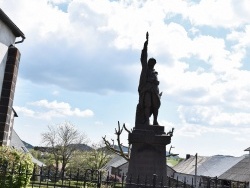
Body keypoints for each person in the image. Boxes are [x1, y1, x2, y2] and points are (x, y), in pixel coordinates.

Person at [135, 32, 161, 126]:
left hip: (154, 90)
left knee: (155, 105)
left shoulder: (154, 72)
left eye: (154, 63)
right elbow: (143, 58)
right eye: (152, 63)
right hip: (146, 90)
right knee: (147, 105)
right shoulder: (145, 69)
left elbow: (156, 82)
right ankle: (146, 121)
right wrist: (145, 46)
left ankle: (155, 121)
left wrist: (156, 82)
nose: (153, 64)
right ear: (149, 63)